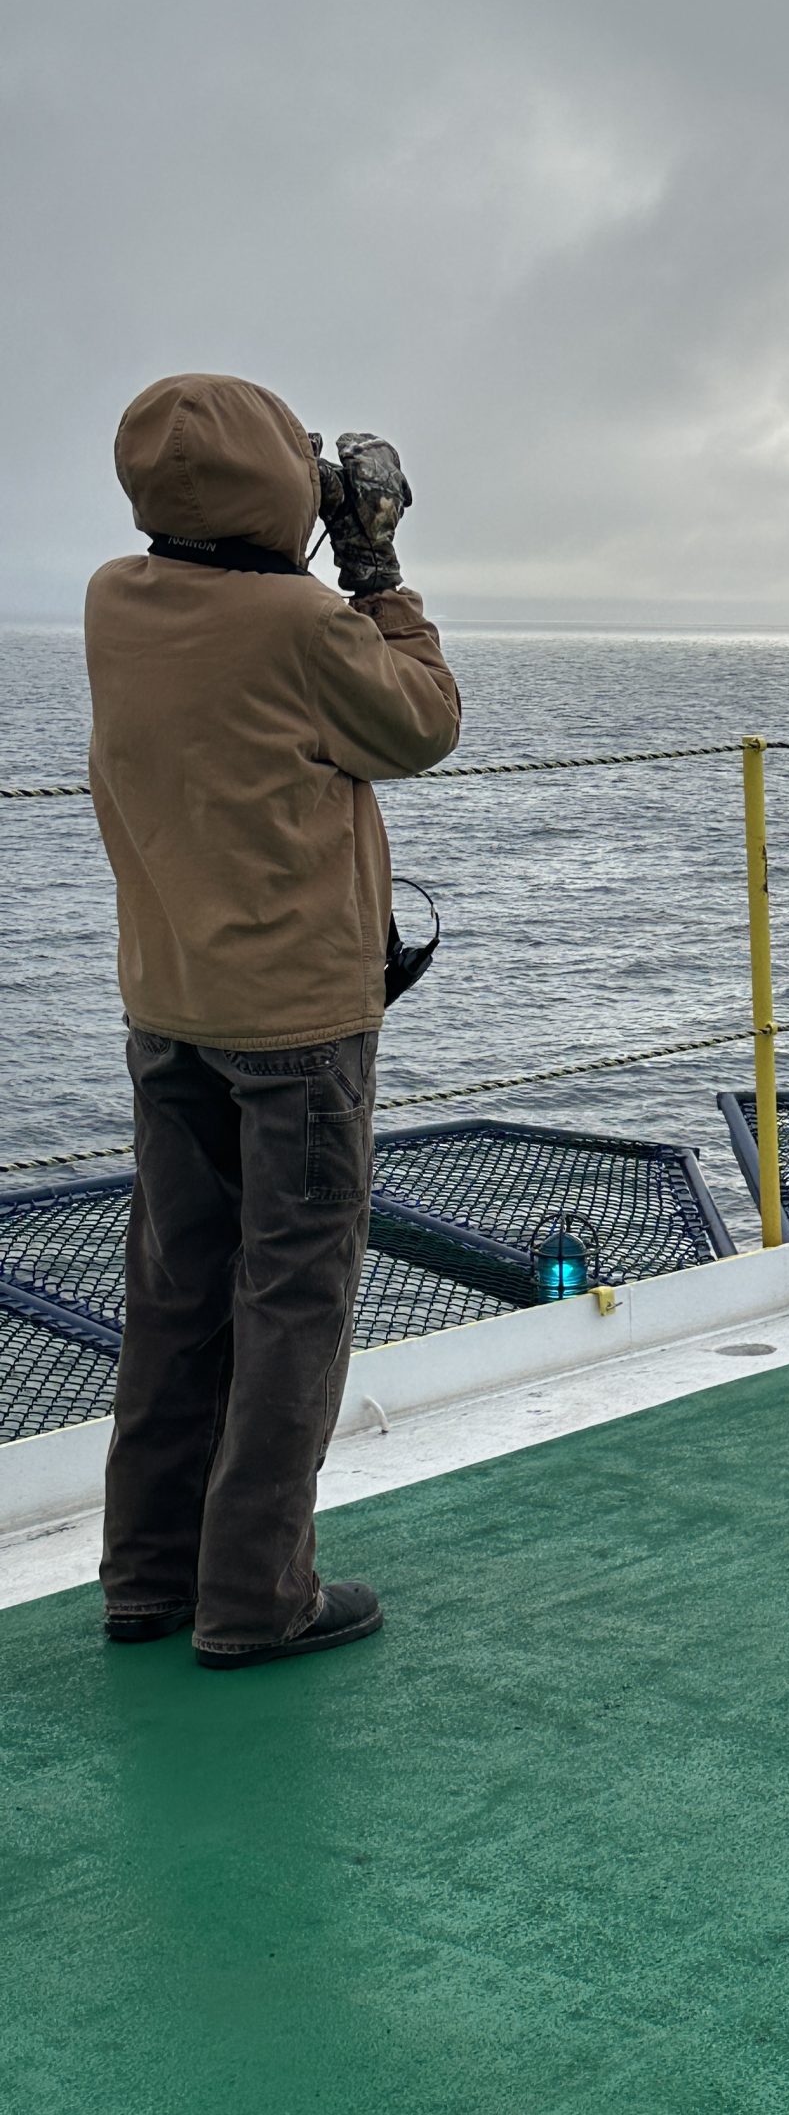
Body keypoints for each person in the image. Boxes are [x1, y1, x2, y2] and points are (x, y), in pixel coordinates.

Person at [84, 373, 462, 1667]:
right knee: (292, 1301)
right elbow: (424, 724)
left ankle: (145, 1577)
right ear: (273, 487)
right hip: (296, 1028)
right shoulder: (305, 624)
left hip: (169, 1004)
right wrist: (378, 564)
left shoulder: (111, 602)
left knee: (177, 1288)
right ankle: (256, 1597)